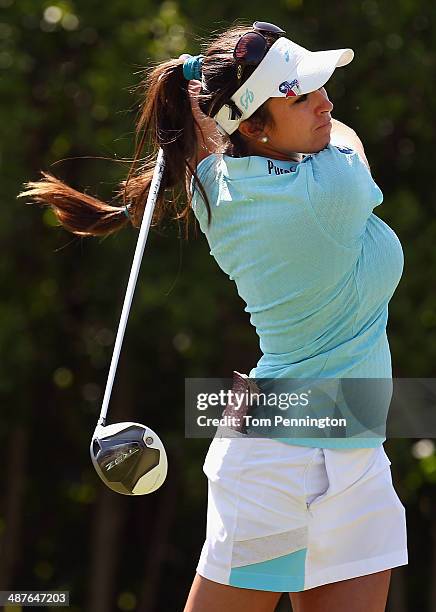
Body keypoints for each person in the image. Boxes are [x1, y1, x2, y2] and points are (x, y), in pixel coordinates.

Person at [18, 20, 408, 612]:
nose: (324, 100)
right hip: (283, 457)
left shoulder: (215, 186)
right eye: (299, 93)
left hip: (347, 440)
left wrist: (227, 94)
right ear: (250, 124)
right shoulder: (332, 187)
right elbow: (342, 136)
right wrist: (205, 84)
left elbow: (218, 135)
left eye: (317, 85)